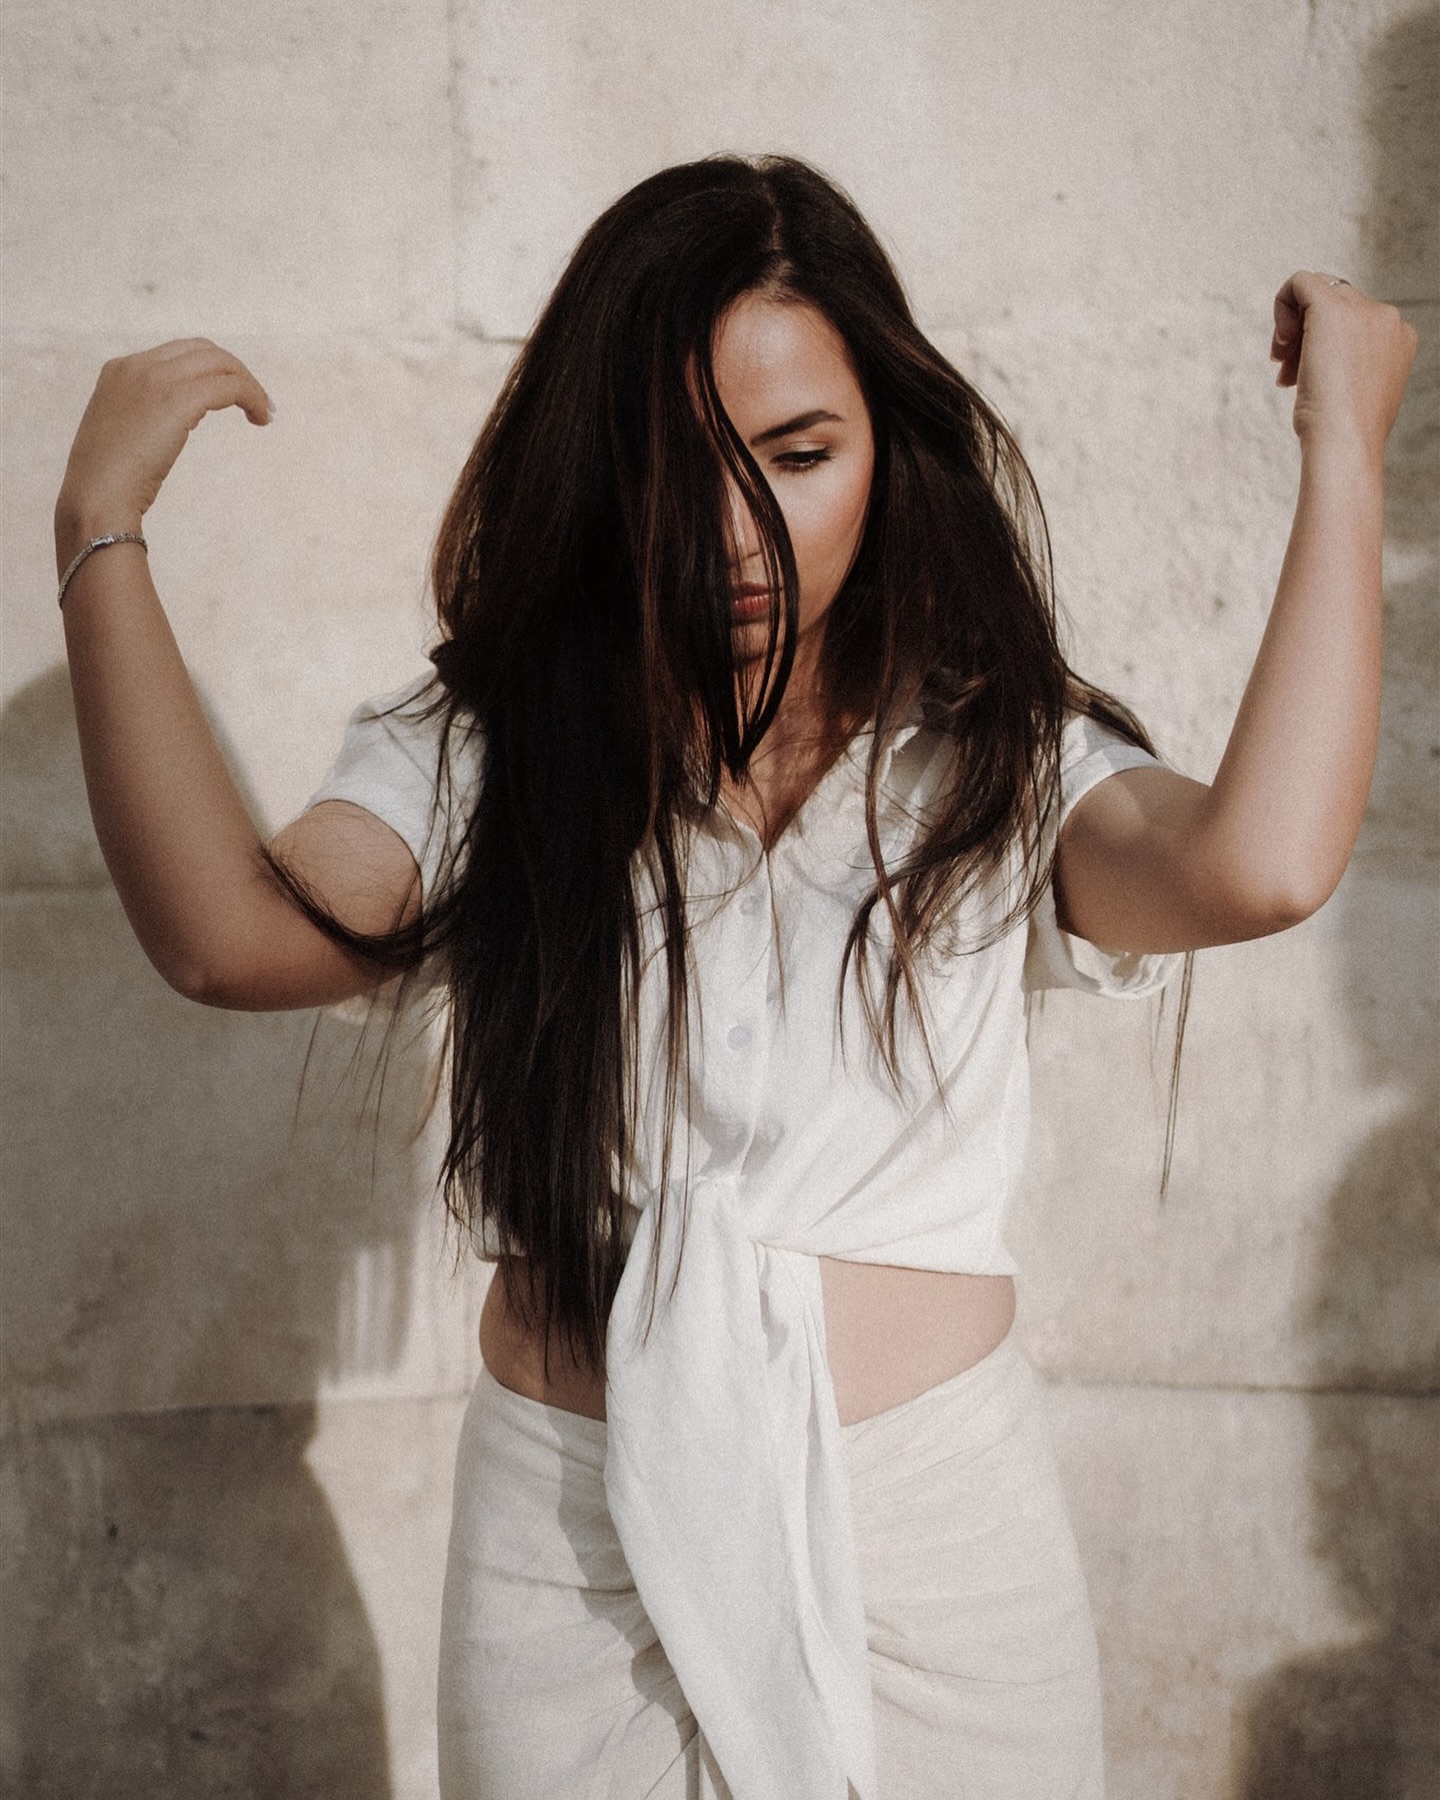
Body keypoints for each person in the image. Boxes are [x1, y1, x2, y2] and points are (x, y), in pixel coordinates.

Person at [54, 155, 1416, 1800]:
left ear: (887, 453)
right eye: (674, 465)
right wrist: (99, 533)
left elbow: (1256, 866)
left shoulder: (997, 755)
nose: (737, 531)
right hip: (573, 1552)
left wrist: (1344, 446)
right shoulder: (482, 748)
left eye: (799, 454)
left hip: (936, 1552)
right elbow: (230, 935)